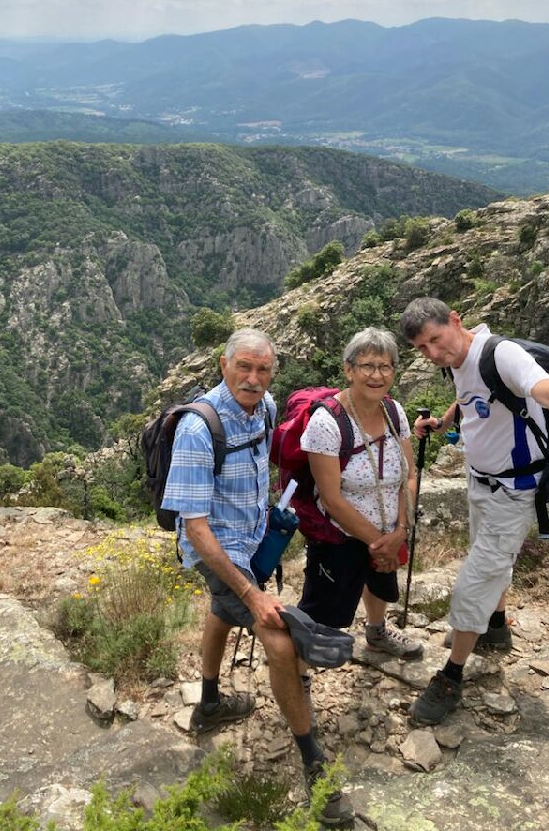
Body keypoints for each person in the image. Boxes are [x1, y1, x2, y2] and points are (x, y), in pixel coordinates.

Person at [161, 327, 354, 829]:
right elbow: (196, 528)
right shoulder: (198, 428)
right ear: (223, 366)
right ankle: (313, 759)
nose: (252, 378)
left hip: (250, 535)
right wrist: (251, 591)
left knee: (221, 611)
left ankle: (208, 703)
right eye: (243, 367)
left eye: (262, 369)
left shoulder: (266, 407)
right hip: (216, 549)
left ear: (273, 374)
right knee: (279, 638)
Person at [399, 297, 549, 725]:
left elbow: (547, 393)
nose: (434, 354)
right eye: (423, 349)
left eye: (436, 341)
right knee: (489, 561)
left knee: (473, 583)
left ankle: (451, 677)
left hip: (515, 490)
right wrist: (443, 423)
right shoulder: (460, 358)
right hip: (479, 481)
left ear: (455, 321)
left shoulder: (503, 354)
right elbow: (474, 397)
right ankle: (496, 629)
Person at [297, 328, 422, 683]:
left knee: (380, 585)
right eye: (367, 366)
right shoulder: (327, 422)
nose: (377, 375)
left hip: (389, 528)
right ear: (348, 370)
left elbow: (408, 475)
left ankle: (377, 632)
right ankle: (300, 671)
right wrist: (379, 542)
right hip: (340, 534)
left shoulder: (395, 412)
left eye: (385, 366)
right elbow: (332, 499)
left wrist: (400, 530)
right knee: (323, 609)